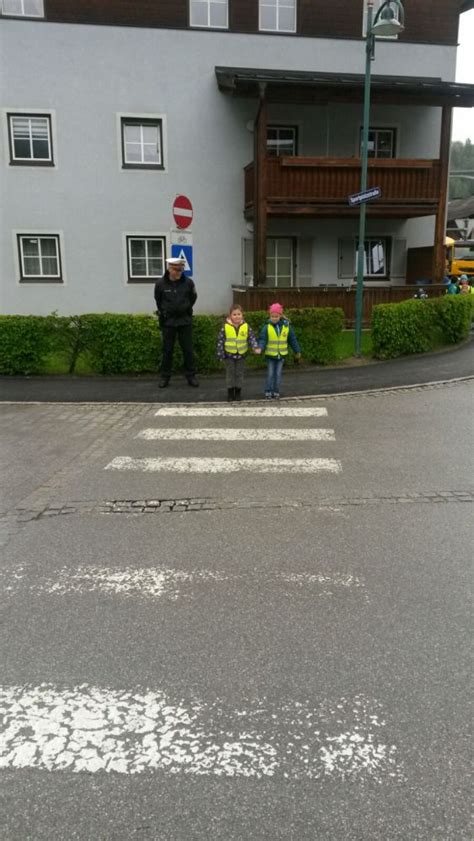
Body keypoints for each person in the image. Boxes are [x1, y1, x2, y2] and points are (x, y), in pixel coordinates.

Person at [154, 256, 198, 388]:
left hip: (184, 320)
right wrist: (166, 312)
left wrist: (185, 308)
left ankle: (191, 376)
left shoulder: (189, 283)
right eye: (176, 270)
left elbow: (193, 298)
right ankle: (165, 377)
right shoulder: (160, 284)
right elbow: (158, 301)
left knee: (188, 350)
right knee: (167, 350)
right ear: (169, 269)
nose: (179, 272)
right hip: (168, 322)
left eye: (181, 270)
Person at [216, 305, 261, 401]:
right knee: (230, 374)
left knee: (239, 374)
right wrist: (220, 354)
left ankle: (238, 392)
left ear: (242, 315)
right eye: (234, 314)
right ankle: (230, 393)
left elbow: (251, 338)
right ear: (230, 316)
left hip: (241, 355)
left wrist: (255, 347)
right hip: (229, 356)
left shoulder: (246, 326)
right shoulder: (225, 327)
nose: (237, 316)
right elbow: (220, 340)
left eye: (239, 314)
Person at [259, 302, 301, 399]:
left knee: (278, 374)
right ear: (270, 316)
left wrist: (297, 351)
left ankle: (276, 391)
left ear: (280, 316)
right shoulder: (267, 327)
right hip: (270, 355)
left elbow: (292, 339)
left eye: (276, 316)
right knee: (270, 374)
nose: (274, 318)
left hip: (281, 355)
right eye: (272, 316)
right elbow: (262, 339)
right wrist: (260, 347)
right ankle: (268, 391)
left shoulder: (287, 327)